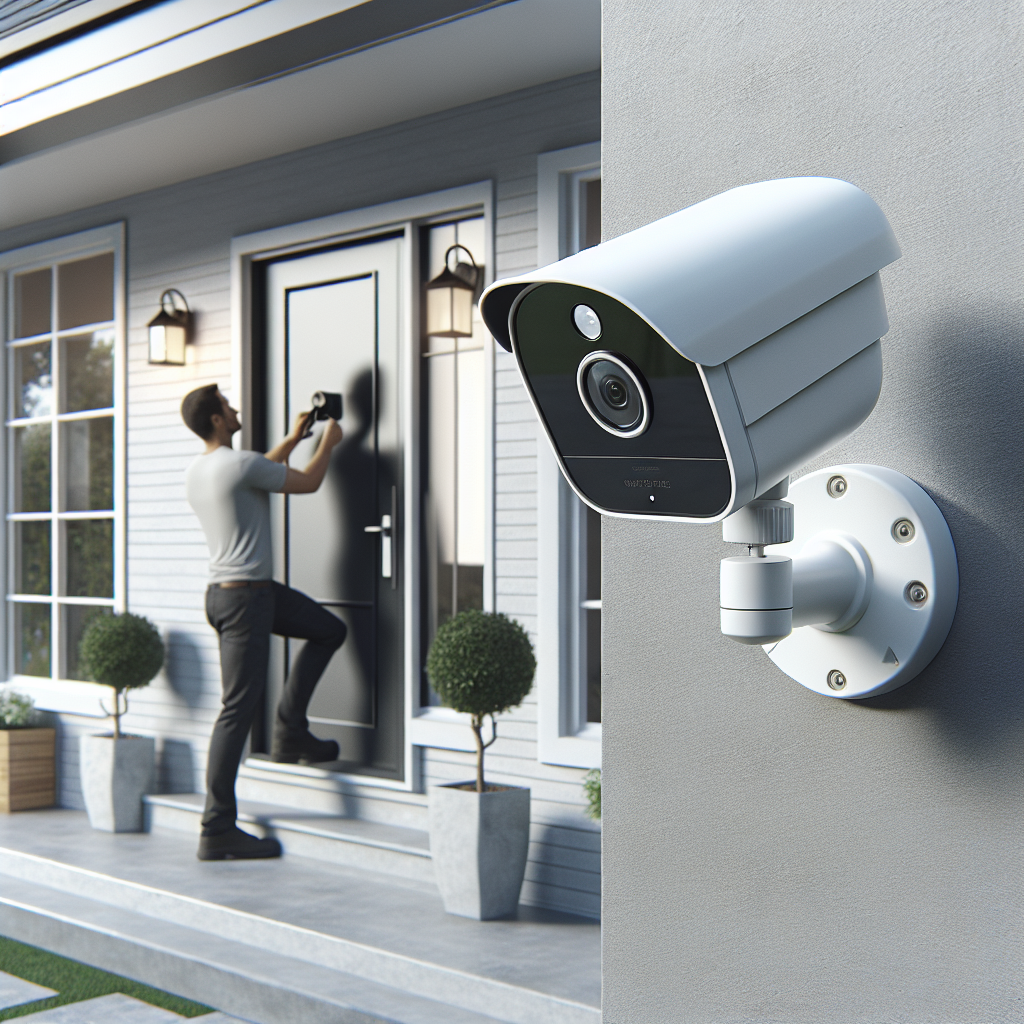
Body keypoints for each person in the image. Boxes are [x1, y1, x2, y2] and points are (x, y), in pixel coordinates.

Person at [181, 384, 345, 861]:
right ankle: (217, 828)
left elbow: (259, 472)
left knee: (330, 630)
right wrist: (325, 445)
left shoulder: (203, 469)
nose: (235, 409)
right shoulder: (239, 464)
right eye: (228, 407)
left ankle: (290, 731)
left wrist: (294, 438)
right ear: (216, 420)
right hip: (246, 601)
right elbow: (306, 482)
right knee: (236, 709)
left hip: (234, 595)